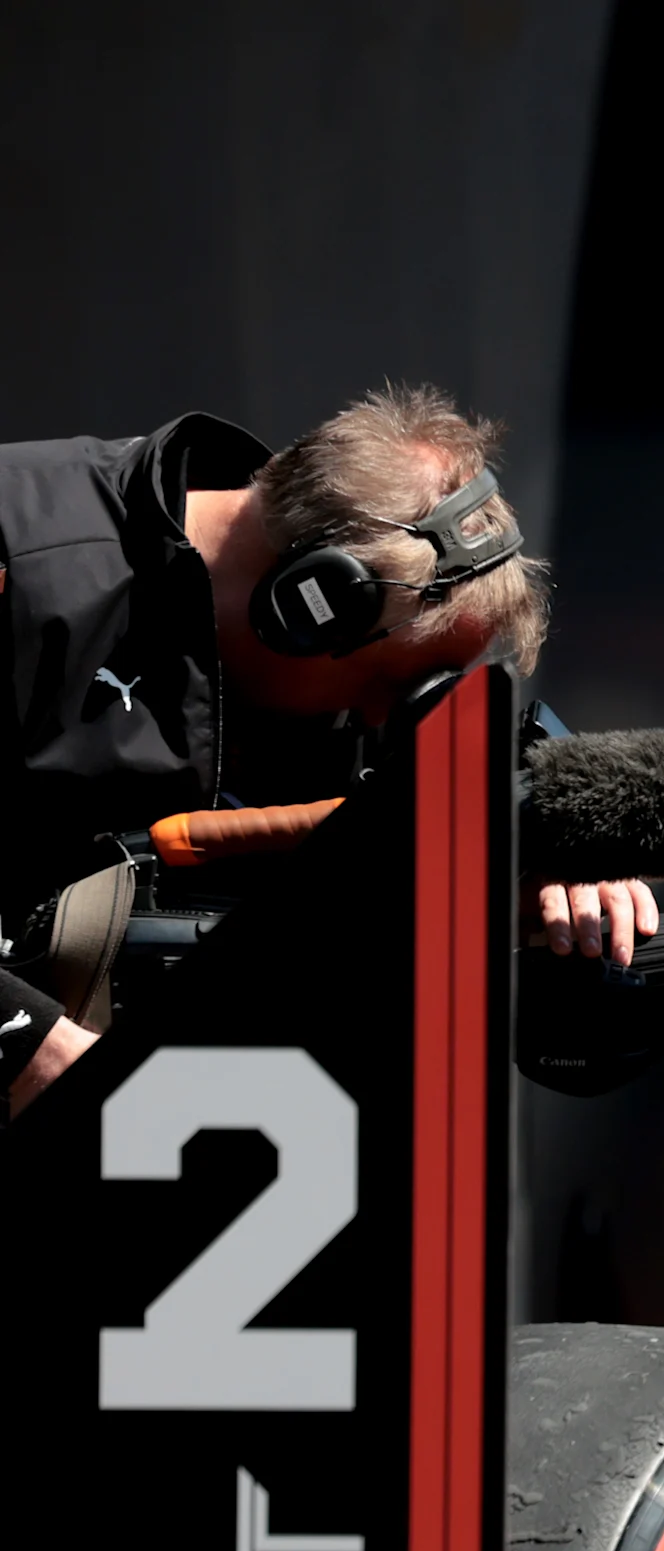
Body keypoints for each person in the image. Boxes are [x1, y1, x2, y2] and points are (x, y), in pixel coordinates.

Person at [0, 384, 560, 1120]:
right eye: (391, 686)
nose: (372, 719)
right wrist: (31, 1044)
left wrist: (562, 848)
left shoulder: (307, 695)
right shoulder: (27, 560)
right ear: (308, 603)